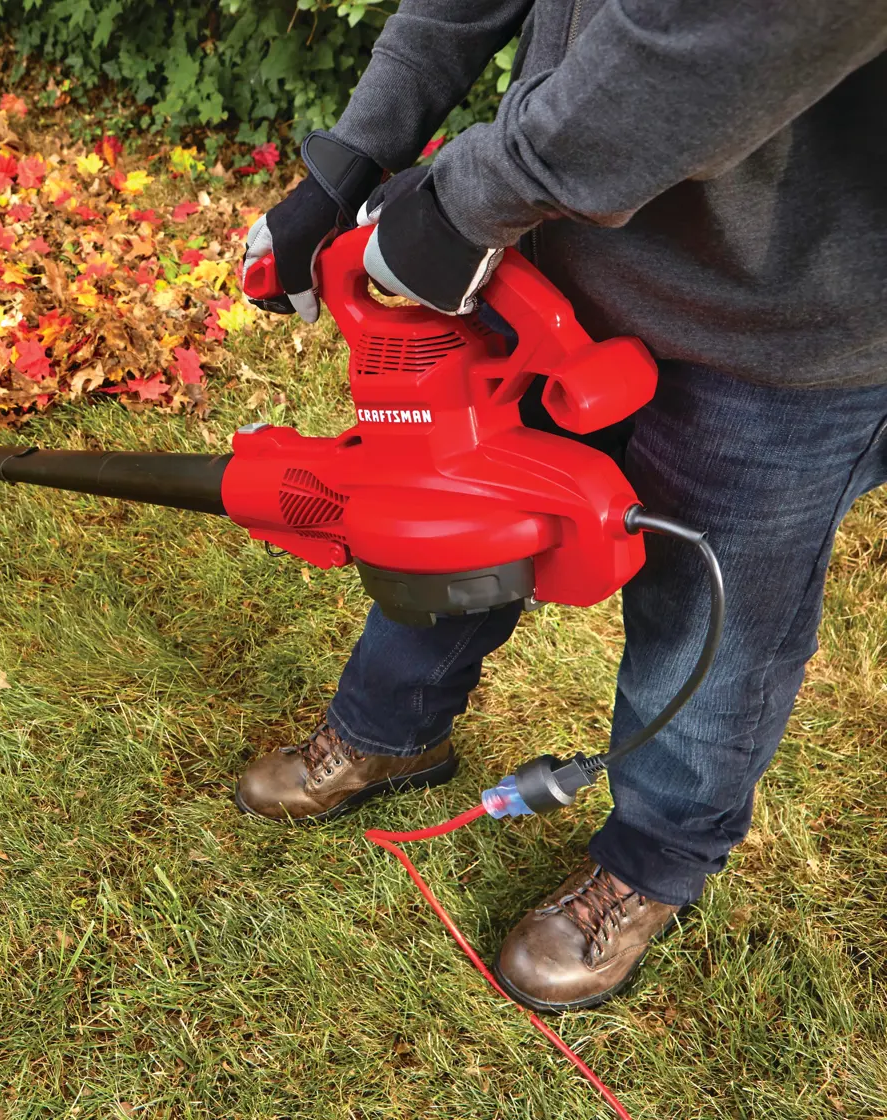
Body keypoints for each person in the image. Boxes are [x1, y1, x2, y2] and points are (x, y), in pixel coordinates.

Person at [238, 0, 887, 1012]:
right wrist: (350, 160)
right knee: (448, 510)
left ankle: (652, 864)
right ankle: (390, 729)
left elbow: (726, 37)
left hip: (788, 323)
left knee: (711, 623)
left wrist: (462, 202)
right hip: (554, 261)